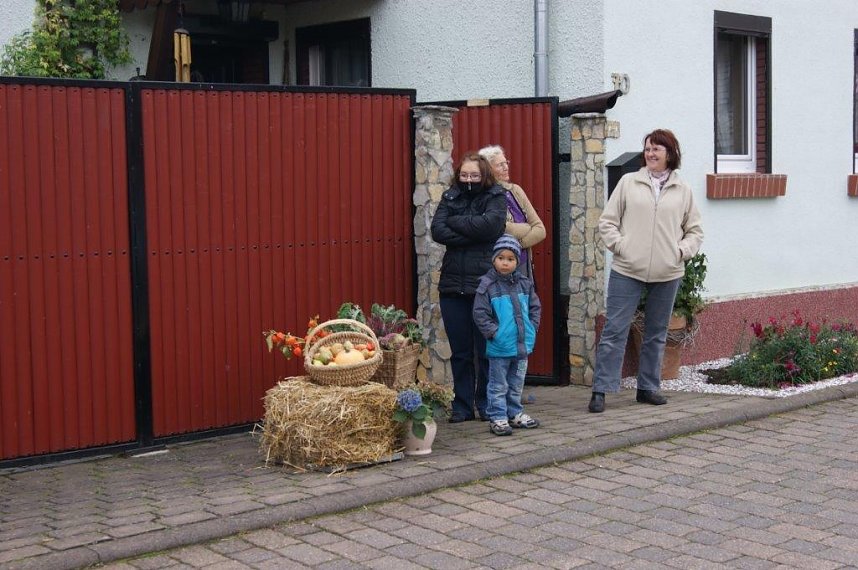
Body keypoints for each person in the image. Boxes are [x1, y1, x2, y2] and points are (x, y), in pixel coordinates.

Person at [589, 129, 703, 413]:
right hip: (627, 269)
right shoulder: (629, 182)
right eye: (648, 149)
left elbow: (695, 231)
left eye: (657, 149)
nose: (651, 154)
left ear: (670, 154)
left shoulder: (683, 189)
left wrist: (680, 252)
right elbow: (607, 222)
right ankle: (601, 389)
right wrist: (621, 246)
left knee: (656, 332)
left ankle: (648, 387)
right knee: (615, 329)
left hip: (667, 272)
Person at [431, 152, 507, 422]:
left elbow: (493, 227)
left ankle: (486, 403)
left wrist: (457, 223)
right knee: (461, 351)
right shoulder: (451, 196)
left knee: (485, 350)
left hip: (484, 286)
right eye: (464, 175)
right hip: (452, 286)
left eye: (474, 175)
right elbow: (437, 230)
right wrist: (474, 233)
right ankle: (462, 405)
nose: (469, 180)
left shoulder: (496, 196)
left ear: (484, 175)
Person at [473, 235, 542, 436]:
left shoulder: (525, 284)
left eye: (510, 259)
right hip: (499, 346)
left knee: (516, 382)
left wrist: (532, 327)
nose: (505, 262)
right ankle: (497, 416)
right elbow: (480, 313)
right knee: (498, 384)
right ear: (494, 259)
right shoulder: (487, 286)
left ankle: (514, 413)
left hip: (521, 345)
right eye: (501, 258)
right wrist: (493, 332)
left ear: (517, 261)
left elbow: (534, 307)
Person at [478, 145, 546, 280]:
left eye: (506, 163)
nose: (506, 167)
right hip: (495, 266)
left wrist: (514, 247)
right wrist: (526, 227)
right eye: (500, 165)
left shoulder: (515, 190)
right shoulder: (482, 195)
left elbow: (540, 230)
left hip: (522, 262)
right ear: (488, 170)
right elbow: (500, 228)